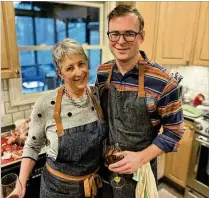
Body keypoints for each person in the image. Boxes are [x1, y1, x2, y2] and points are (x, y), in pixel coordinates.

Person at [96, 4, 184, 198]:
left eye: (129, 34)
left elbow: (175, 133)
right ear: (108, 36)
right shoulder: (103, 73)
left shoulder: (164, 81)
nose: (121, 41)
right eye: (115, 34)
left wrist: (141, 158)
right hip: (105, 166)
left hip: (140, 172)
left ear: (141, 36)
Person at [8, 38, 106, 198]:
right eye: (70, 68)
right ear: (60, 73)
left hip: (93, 187)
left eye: (81, 64)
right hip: (58, 191)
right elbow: (32, 146)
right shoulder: (46, 104)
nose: (78, 72)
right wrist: (20, 183)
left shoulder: (98, 95)